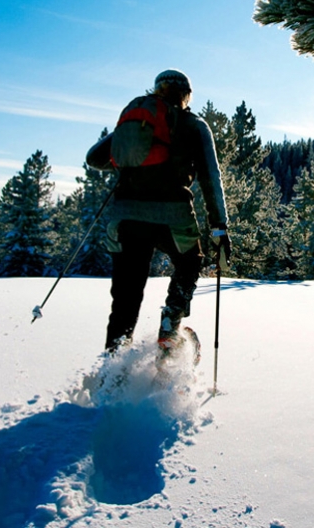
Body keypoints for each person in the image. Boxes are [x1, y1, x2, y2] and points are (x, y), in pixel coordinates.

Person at [86, 69, 230, 352]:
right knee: (189, 262)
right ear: (185, 96)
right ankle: (170, 324)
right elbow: (210, 178)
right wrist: (219, 227)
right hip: (173, 216)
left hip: (126, 217)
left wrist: (128, 158)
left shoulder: (138, 124)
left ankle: (114, 367)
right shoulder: (194, 124)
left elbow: (94, 158)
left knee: (125, 298)